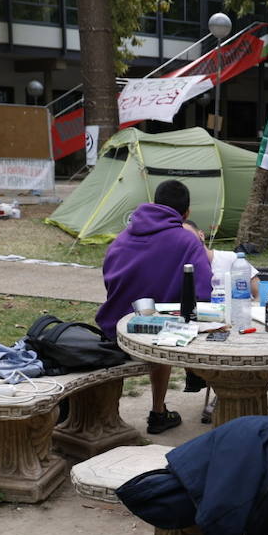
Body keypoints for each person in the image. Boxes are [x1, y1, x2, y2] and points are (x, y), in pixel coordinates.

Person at [97, 180, 213, 433]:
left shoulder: (122, 237)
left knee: (159, 324)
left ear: (154, 203)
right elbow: (202, 292)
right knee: (169, 328)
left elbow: (109, 279)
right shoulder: (187, 240)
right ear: (187, 214)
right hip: (156, 334)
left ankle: (150, 412)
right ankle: (161, 408)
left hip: (115, 328)